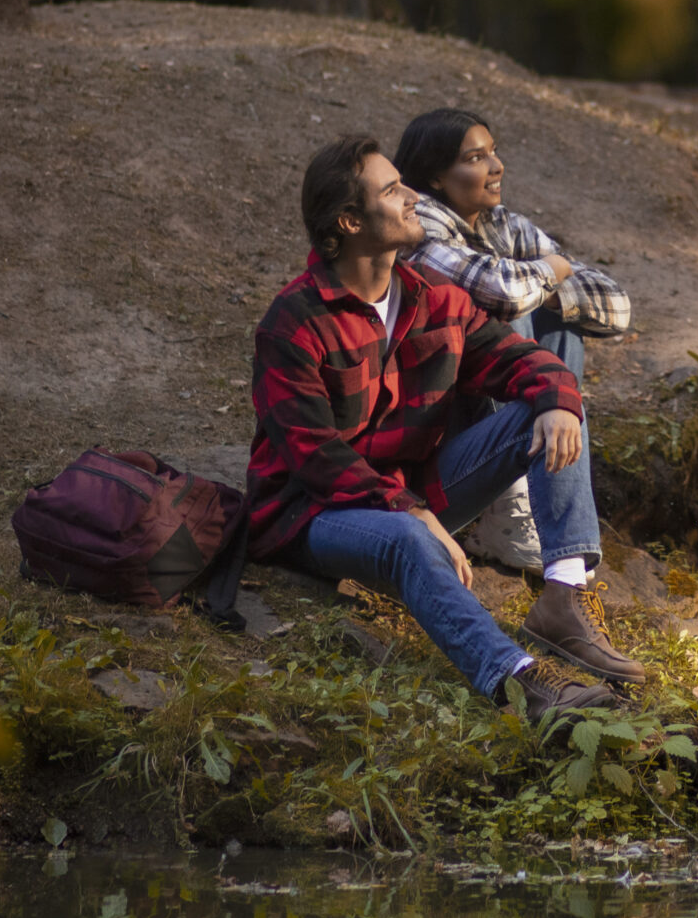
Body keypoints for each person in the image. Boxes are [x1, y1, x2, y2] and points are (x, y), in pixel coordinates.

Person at [246, 137, 646, 711]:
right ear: (350, 221)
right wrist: (410, 510)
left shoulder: (434, 299)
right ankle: (522, 685)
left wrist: (559, 398)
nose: (412, 197)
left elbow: (521, 359)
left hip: (417, 493)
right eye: (391, 190)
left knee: (548, 399)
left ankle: (562, 593)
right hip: (312, 513)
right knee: (409, 537)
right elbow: (315, 457)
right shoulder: (293, 323)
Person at [394, 109, 628, 576]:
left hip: (493, 411)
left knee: (561, 323)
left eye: (493, 151)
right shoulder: (417, 227)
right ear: (437, 177)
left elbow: (617, 306)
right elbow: (503, 293)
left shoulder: (502, 225)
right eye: (476, 158)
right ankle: (512, 505)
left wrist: (544, 288)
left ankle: (537, 505)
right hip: (442, 435)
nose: (496, 166)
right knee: (514, 313)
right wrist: (552, 271)